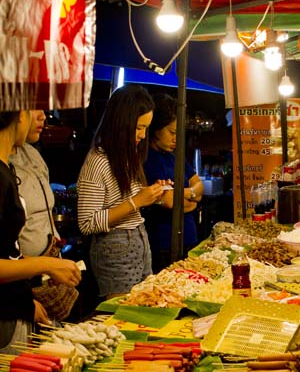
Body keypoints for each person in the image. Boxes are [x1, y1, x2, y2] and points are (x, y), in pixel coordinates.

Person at [0, 110, 81, 353]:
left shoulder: (16, 163)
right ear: (20, 114)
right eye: (32, 106)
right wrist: (46, 265)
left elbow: (8, 252)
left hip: (18, 306)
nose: (43, 115)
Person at [77, 84, 166, 299]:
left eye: (146, 128)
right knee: (121, 317)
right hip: (115, 248)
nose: (143, 135)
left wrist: (151, 194)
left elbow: (125, 200)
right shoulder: (98, 160)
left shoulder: (127, 155)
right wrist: (137, 201)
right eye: (138, 128)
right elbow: (87, 222)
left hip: (138, 241)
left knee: (143, 309)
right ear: (121, 123)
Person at [143, 93, 204, 270]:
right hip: (163, 244)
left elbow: (199, 186)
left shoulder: (175, 156)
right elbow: (168, 201)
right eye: (171, 132)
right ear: (155, 128)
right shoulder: (147, 160)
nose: (176, 139)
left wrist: (188, 194)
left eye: (179, 133)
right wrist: (191, 197)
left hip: (189, 238)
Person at [8, 110, 59, 258]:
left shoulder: (32, 154)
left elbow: (47, 212)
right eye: (34, 107)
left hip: (50, 266)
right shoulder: (4, 167)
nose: (43, 116)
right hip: (24, 274)